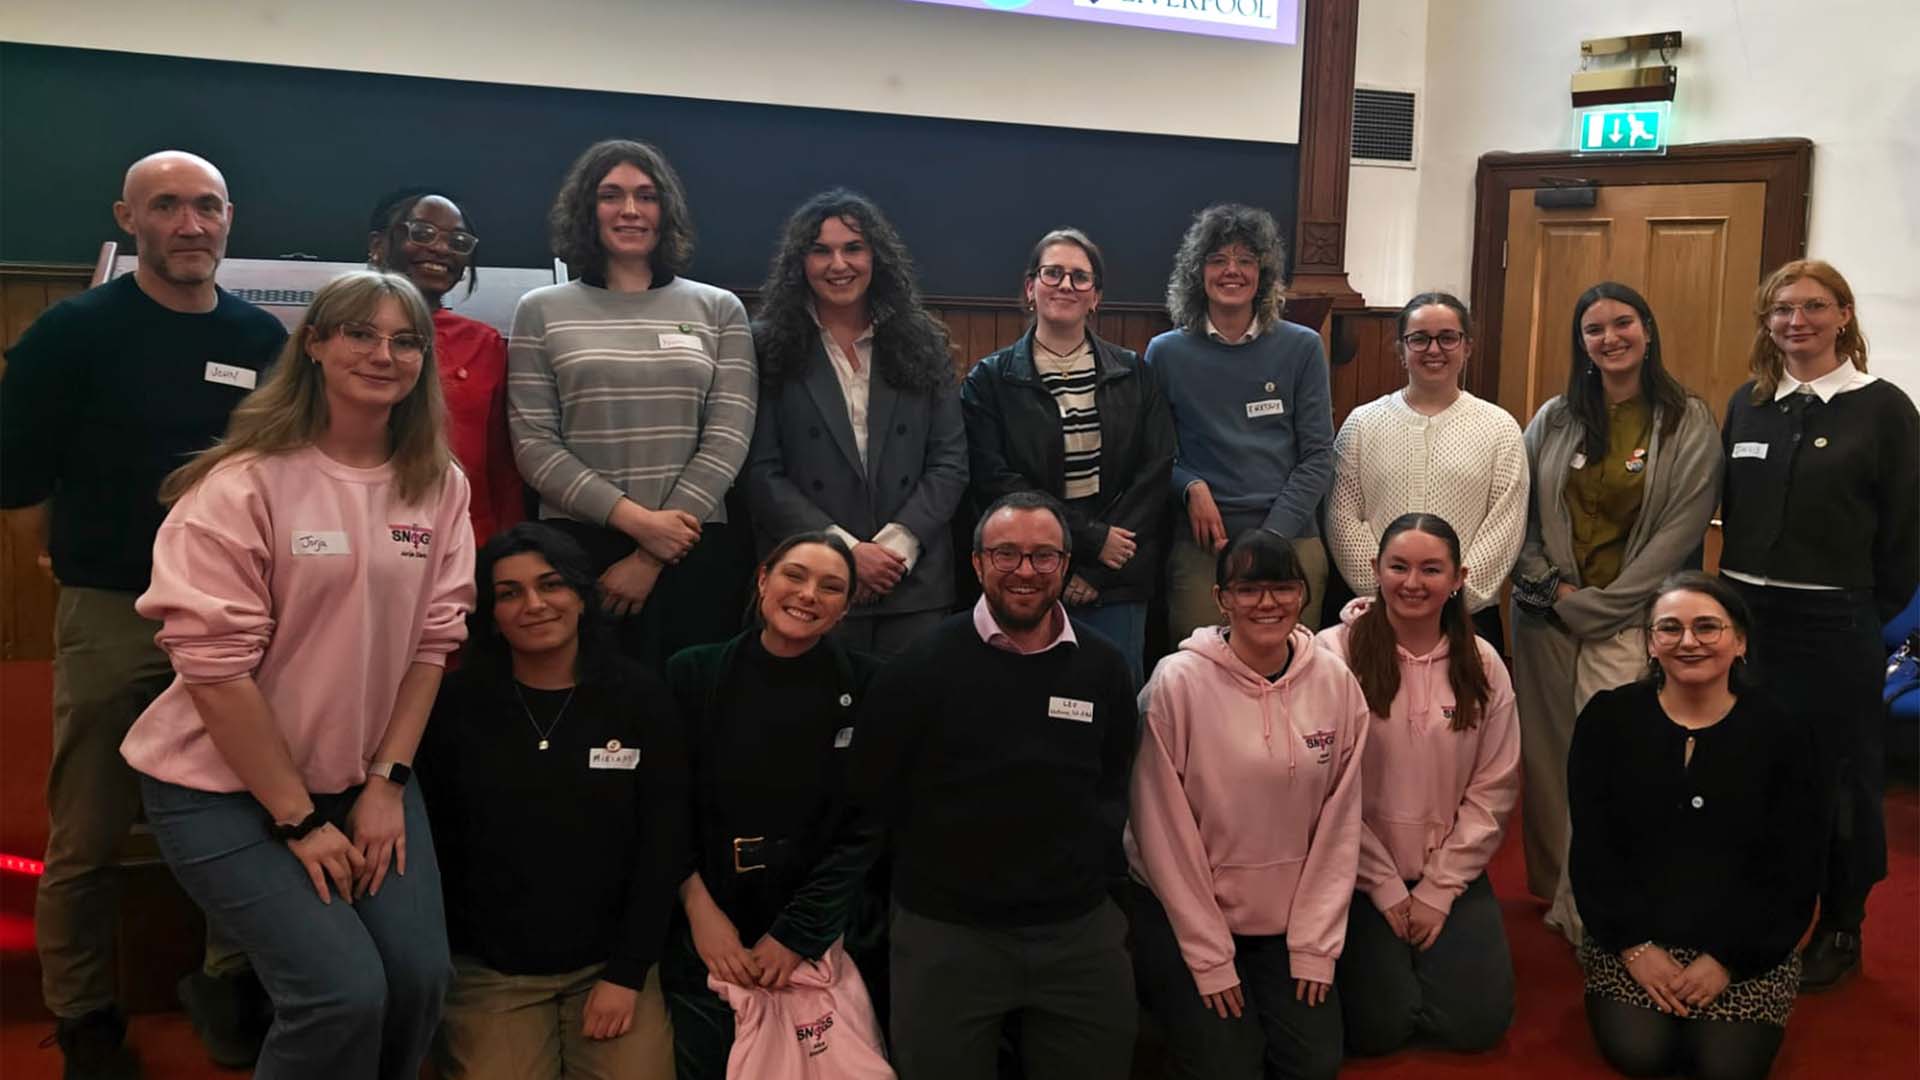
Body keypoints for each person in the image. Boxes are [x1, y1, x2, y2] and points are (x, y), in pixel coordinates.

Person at [120, 269, 475, 1078]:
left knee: (420, 980)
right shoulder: (242, 483)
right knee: (341, 994)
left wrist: (387, 782)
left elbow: (433, 644)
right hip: (222, 789)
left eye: (405, 339)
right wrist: (298, 821)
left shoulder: (438, 486)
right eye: (359, 333)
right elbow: (214, 673)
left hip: (363, 778)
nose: (384, 354)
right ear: (313, 343)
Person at [0, 149, 286, 1074]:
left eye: (207, 207)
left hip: (237, 619)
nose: (190, 225)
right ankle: (84, 1015)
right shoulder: (72, 332)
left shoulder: (260, 341)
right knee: (86, 829)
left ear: (230, 218)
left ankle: (226, 981)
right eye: (167, 206)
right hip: (115, 608)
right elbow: (16, 480)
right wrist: (69, 559)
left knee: (239, 814)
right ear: (130, 218)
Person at [849, 491, 1137, 1080]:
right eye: (1006, 554)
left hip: (1076, 932)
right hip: (947, 934)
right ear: (976, 563)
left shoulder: (1105, 667)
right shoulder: (918, 667)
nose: (1025, 571)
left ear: (1065, 564)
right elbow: (874, 798)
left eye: (1043, 556)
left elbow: (1112, 783)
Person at [418, 523, 685, 1080]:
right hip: (492, 975)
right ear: (488, 612)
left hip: (611, 968)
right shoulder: (452, 707)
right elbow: (433, 846)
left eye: (551, 585)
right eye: (509, 593)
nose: (533, 604)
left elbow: (664, 844)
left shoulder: (641, 699)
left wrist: (629, 972)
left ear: (583, 598)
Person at [1718, 259, 1919, 990]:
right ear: (1766, 322)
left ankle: (1842, 922)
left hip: (1835, 622)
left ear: (1843, 315)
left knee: (1840, 777)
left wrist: (1868, 613)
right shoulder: (1750, 404)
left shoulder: (1884, 409)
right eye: (1780, 309)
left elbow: (1905, 535)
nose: (1795, 321)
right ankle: (1759, 904)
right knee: (1749, 765)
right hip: (1746, 620)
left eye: (1812, 306)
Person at [1507, 281, 1722, 943]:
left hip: (1632, 624)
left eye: (1622, 322)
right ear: (1582, 344)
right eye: (1594, 329)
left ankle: (1601, 910)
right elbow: (1524, 519)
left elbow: (1679, 536)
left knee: (1618, 771)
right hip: (1548, 620)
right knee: (1550, 766)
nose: (1610, 338)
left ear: (1648, 329)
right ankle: (1562, 893)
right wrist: (1555, 591)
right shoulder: (1555, 416)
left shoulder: (1687, 420)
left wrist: (1603, 607)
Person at [1126, 528, 1367, 1080]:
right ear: (1221, 599)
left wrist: (1315, 945)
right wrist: (1210, 959)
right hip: (1188, 912)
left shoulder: (1334, 680)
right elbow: (1162, 836)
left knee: (1313, 1063)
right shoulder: (1175, 684)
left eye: (1283, 587)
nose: (1267, 603)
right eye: (1248, 589)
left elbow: (1340, 825)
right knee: (1227, 1067)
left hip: (1288, 920)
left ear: (1303, 595)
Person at [509, 139, 758, 669]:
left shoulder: (718, 309)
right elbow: (534, 446)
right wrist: (638, 525)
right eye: (610, 195)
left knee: (686, 716)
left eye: (646, 196)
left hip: (693, 550)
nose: (629, 211)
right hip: (579, 554)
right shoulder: (540, 310)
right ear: (586, 210)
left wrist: (652, 552)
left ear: (665, 211)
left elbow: (729, 436)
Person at [1569, 573, 1820, 1079]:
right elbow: (1595, 851)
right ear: (1651, 643)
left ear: (1740, 641)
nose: (1689, 642)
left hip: (1745, 940)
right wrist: (1634, 947)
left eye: (1708, 627)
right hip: (1636, 934)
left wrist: (1727, 960)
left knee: (1725, 1067)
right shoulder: (1607, 719)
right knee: (1642, 1054)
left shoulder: (1783, 730)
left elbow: (1796, 866)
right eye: (1670, 629)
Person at [662, 531, 888, 1079]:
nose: (809, 594)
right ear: (763, 579)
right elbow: (662, 807)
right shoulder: (692, 673)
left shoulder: (870, 685)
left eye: (831, 587)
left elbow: (868, 826)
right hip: (708, 923)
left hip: (824, 928)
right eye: (795, 575)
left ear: (845, 607)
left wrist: (799, 933)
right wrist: (698, 909)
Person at [1318, 513, 1519, 1057]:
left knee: (1478, 1027)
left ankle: (1419, 971)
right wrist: (1383, 886)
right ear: (1376, 572)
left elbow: (1494, 789)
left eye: (1432, 569)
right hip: (1358, 873)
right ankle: (1400, 979)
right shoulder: (1333, 655)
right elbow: (1326, 791)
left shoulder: (1483, 664)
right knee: (1376, 1031)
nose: (1413, 582)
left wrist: (1438, 888)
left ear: (1459, 579)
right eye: (1398, 567)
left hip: (1445, 868)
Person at [744, 189, 966, 656]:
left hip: (913, 578)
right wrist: (844, 555)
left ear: (876, 257)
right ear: (799, 263)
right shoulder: (764, 346)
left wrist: (893, 550)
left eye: (853, 248)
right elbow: (763, 472)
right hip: (809, 582)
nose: (838, 264)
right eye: (820, 250)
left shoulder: (923, 340)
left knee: (908, 722)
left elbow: (949, 461)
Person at [962, 227, 1173, 686]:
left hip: (1116, 579)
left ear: (1095, 296)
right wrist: (1085, 541)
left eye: (1080, 277)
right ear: (1030, 288)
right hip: (1026, 571)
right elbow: (994, 479)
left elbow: (1154, 473)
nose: (1065, 285)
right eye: (1052, 273)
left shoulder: (1135, 373)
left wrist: (1097, 567)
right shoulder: (990, 381)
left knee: (1111, 707)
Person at [1146, 204, 1335, 638]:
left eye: (1246, 260)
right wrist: (1190, 486)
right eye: (1218, 260)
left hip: (1289, 537)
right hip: (1203, 546)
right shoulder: (1166, 353)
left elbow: (1318, 456)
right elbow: (1155, 453)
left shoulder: (1302, 348)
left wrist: (1269, 538)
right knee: (1198, 676)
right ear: (1198, 273)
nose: (1232, 271)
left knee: (1291, 678)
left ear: (1263, 273)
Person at [1327, 292, 1527, 650]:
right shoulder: (1362, 424)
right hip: (1377, 613)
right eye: (1419, 338)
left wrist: (1447, 595)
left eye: (1448, 337)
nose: (1433, 349)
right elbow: (1343, 517)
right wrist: (1388, 590)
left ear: (1467, 347)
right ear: (1401, 349)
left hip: (1468, 616)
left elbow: (1504, 526)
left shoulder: (1499, 427)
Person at [369, 188, 524, 545]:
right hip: (362, 534)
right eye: (422, 233)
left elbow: (503, 466)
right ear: (378, 244)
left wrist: (510, 549)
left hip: (467, 542)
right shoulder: (339, 331)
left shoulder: (484, 344)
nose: (441, 248)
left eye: (457, 240)